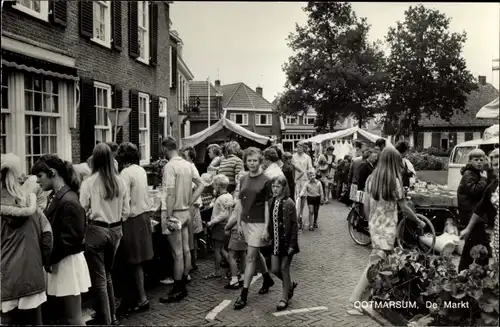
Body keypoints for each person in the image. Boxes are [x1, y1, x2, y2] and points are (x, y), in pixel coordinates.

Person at [347, 147, 425, 315]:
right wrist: (418, 220)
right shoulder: (394, 180)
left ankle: (370, 300)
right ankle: (354, 301)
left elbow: (366, 205)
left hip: (375, 226)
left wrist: (372, 221)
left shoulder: (371, 178)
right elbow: (404, 207)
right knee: (374, 265)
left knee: (380, 265)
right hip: (387, 227)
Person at [31, 154, 90, 325]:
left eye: (40, 176)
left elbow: (71, 240)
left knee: (74, 317)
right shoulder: (58, 196)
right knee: (70, 316)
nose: (37, 181)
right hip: (62, 261)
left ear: (53, 173)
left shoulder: (68, 200)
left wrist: (49, 258)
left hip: (67, 262)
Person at [80, 143, 130, 325]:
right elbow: (127, 211)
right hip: (116, 230)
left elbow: (82, 209)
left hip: (97, 230)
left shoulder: (89, 183)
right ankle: (112, 316)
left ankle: (107, 320)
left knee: (99, 278)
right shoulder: (121, 182)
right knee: (107, 274)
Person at [1, 153, 53, 326]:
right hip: (32, 273)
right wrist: (43, 261)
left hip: (5, 277)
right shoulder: (31, 205)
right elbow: (47, 236)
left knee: (7, 320)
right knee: (35, 320)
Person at [159, 136, 204, 303]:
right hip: (186, 211)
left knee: (176, 253)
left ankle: (178, 288)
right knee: (185, 249)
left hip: (175, 212)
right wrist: (190, 201)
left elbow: (170, 193)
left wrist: (169, 215)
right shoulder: (187, 164)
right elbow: (201, 184)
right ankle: (184, 281)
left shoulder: (170, 167)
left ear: (164, 149)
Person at [115, 142, 154, 315]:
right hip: (144, 215)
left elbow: (125, 201)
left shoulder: (125, 173)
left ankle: (141, 298)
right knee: (138, 261)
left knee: (133, 261)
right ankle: (139, 296)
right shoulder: (140, 170)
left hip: (132, 219)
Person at [234, 147, 275, 310]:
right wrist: (238, 223)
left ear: (260, 161)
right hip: (245, 221)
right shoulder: (243, 179)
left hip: (258, 222)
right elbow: (240, 202)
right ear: (246, 162)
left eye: (255, 160)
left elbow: (267, 205)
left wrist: (266, 227)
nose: (252, 163)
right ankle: (266, 278)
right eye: (249, 160)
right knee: (255, 252)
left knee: (250, 256)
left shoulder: (266, 180)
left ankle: (243, 294)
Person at [460, 148, 499, 270]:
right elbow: (480, 206)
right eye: (495, 165)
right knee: (479, 247)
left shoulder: (480, 176)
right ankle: (473, 273)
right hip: (472, 217)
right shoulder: (491, 184)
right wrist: (468, 228)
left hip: (479, 219)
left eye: (481, 160)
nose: (497, 167)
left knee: (478, 247)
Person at [268, 175, 299, 311]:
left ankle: (284, 298)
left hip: (287, 242)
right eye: (273, 186)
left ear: (284, 187)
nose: (275, 189)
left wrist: (292, 244)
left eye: (278, 186)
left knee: (284, 269)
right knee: (274, 269)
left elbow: (294, 225)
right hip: (275, 241)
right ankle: (290, 285)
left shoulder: (289, 203)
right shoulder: (271, 201)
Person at [206, 174, 233, 279]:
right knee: (222, 248)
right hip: (226, 225)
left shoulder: (221, 198)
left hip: (219, 226)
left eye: (214, 185)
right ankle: (233, 267)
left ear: (218, 185)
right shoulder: (229, 196)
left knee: (218, 249)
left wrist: (211, 222)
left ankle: (218, 271)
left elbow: (223, 214)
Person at [181, 146, 204, 275]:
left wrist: (189, 201)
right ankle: (193, 263)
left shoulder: (190, 169)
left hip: (192, 206)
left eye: (184, 156)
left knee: (190, 237)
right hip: (194, 205)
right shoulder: (190, 168)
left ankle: (190, 265)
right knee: (192, 236)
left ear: (190, 157)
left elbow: (192, 187)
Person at [224, 171, 248, 290]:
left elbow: (234, 218)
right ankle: (243, 277)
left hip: (236, 230)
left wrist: (227, 227)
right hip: (245, 230)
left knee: (231, 255)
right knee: (242, 254)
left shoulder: (240, 201)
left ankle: (234, 280)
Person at [292, 142, 312, 223]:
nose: (298, 149)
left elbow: (310, 167)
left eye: (300, 147)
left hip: (304, 179)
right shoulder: (293, 157)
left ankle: (301, 214)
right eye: (297, 147)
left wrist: (310, 174)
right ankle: (296, 214)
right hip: (296, 179)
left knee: (303, 197)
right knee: (296, 197)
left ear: (304, 148)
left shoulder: (307, 157)